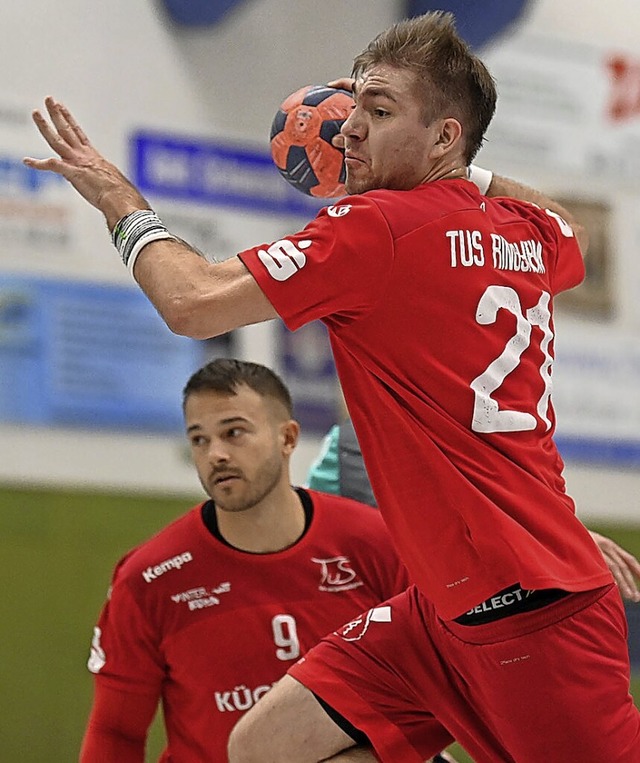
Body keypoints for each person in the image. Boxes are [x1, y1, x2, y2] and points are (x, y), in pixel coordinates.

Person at [25, 10, 640, 762]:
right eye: (354, 107)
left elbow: (190, 300)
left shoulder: (375, 227)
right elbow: (564, 227)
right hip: (442, 606)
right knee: (262, 744)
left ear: (445, 135)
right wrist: (459, 160)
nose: (349, 129)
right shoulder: (523, 228)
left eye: (377, 114)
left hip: (526, 616)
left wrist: (116, 195)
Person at [79, 358, 411, 762]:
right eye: (199, 440)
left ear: (288, 438)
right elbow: (116, 733)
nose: (215, 454)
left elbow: (439, 685)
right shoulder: (149, 580)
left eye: (233, 432)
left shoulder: (375, 544)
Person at [308, 417, 640, 602]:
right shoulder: (348, 448)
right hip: (389, 627)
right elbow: (318, 551)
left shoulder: (494, 433)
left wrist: (557, 541)